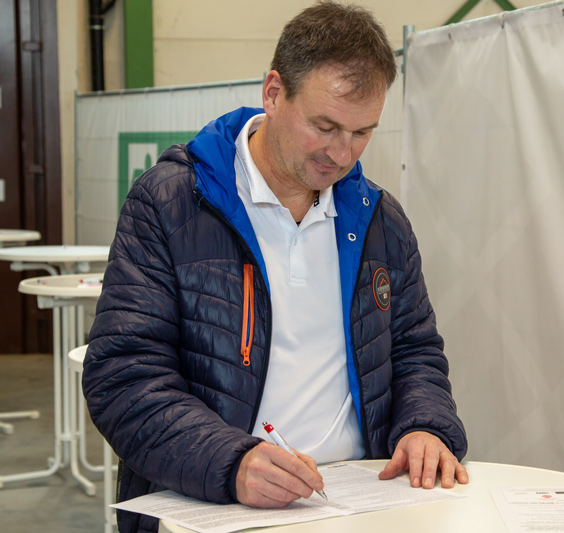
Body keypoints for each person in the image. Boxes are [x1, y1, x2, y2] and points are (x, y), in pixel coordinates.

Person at [82, 2, 467, 532]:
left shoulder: (379, 219)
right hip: (216, 505)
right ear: (273, 92)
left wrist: (426, 427)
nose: (342, 153)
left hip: (361, 506)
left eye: (363, 132)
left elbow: (414, 349)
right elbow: (123, 376)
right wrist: (230, 462)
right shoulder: (173, 202)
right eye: (325, 125)